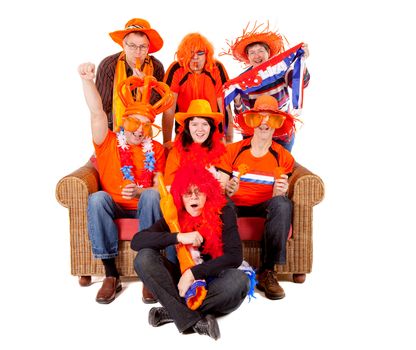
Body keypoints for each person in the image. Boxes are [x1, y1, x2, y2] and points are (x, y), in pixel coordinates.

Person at [78, 62, 173, 304]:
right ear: (123, 122)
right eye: (134, 123)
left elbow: (159, 188)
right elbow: (97, 113)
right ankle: (111, 274)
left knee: (152, 196)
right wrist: (88, 80)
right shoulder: (108, 141)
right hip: (115, 204)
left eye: (145, 126)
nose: (140, 131)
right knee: (97, 198)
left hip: (144, 205)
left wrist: (141, 191)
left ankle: (148, 271)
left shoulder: (157, 150)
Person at [131, 164, 249, 340]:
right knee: (144, 257)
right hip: (181, 285)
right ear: (181, 197)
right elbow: (137, 241)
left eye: (199, 191)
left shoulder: (224, 211)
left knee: (239, 281)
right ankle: (193, 322)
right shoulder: (174, 218)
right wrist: (178, 237)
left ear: (207, 193)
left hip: (215, 282)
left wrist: (193, 273)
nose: (194, 196)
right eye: (188, 192)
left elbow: (235, 256)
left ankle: (172, 311)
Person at [217, 95, 295, 300]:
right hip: (236, 203)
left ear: (277, 125)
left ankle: (268, 271)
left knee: (282, 204)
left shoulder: (282, 156)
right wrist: (228, 190)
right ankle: (227, 266)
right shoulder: (233, 150)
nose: (264, 124)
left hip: (264, 204)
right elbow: (220, 188)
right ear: (251, 122)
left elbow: (278, 196)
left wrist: (280, 191)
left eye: (270, 119)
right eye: (259, 118)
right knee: (222, 203)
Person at [224, 22, 310, 151]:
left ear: (268, 53)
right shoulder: (244, 80)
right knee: (252, 168)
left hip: (282, 131)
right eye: (252, 52)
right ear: (248, 57)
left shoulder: (280, 70)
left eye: (260, 51)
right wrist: (237, 103)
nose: (257, 56)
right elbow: (241, 114)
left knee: (282, 167)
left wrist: (301, 62)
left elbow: (301, 83)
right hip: (255, 133)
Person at [163, 33, 233, 146]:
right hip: (184, 130)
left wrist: (228, 140)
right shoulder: (176, 69)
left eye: (200, 53)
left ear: (207, 54)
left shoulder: (216, 68)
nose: (195, 57)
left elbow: (225, 106)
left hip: (213, 130)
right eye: (191, 53)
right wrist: (166, 141)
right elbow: (168, 109)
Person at [95, 18, 165, 131]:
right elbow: (101, 108)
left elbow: (158, 107)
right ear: (124, 44)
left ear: (148, 47)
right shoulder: (108, 66)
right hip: (113, 130)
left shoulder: (156, 67)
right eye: (132, 45)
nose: (137, 52)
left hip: (143, 131)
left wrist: (144, 88)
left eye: (142, 47)